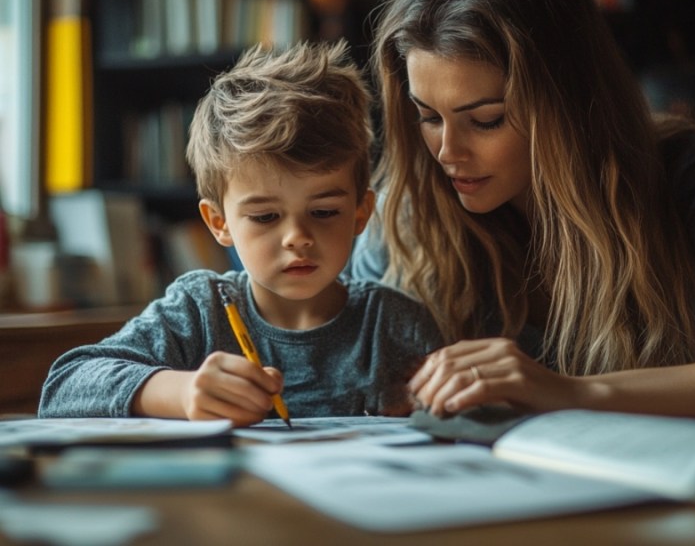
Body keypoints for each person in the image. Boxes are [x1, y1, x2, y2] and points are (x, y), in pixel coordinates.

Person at [349, 0, 695, 420]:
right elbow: (307, 334)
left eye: (486, 120)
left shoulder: (680, 173)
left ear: (565, 103)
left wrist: (575, 393)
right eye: (428, 117)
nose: (447, 153)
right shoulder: (411, 207)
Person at [39, 40, 442, 426]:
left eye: (323, 211)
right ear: (219, 223)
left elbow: (468, 423)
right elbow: (63, 387)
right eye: (266, 217)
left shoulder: (396, 324)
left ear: (360, 212)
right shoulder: (200, 311)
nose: (297, 237)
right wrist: (181, 393)